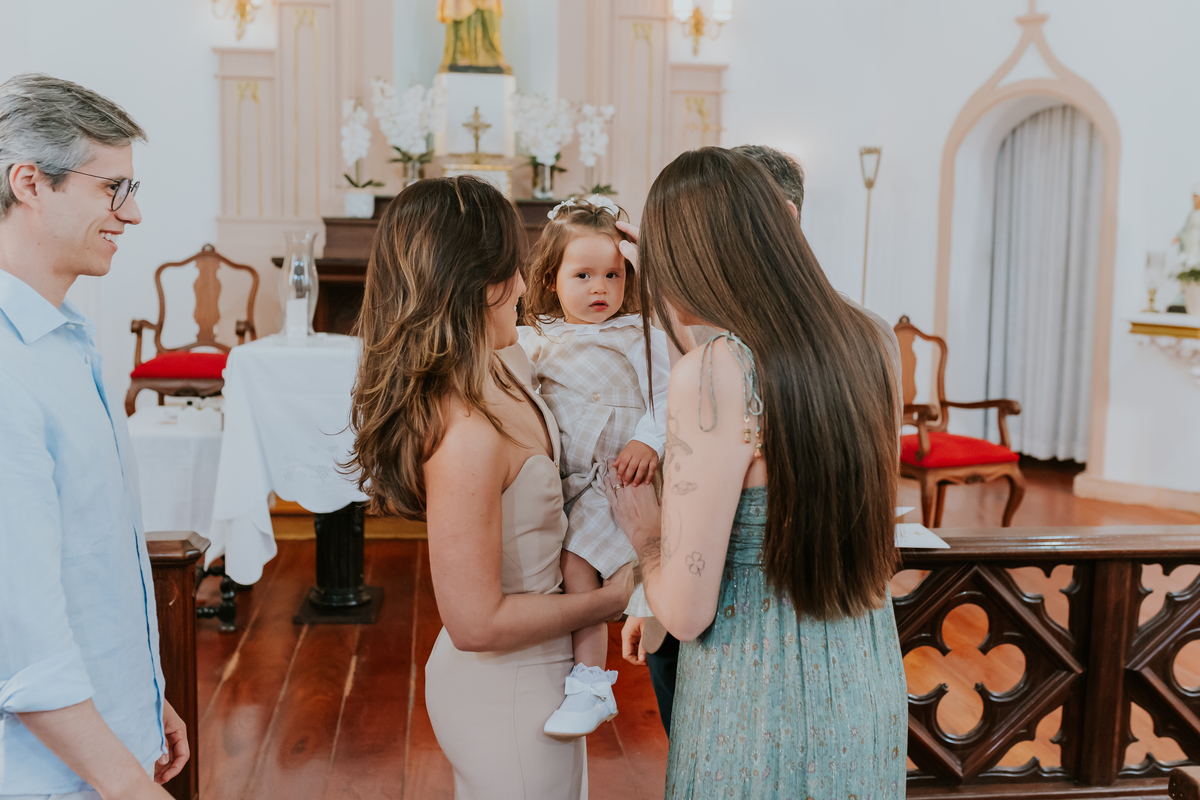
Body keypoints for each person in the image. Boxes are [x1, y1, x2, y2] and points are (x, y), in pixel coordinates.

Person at [608, 147, 907, 798]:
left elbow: (686, 613)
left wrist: (646, 534)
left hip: (754, 681)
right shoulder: (869, 340)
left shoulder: (717, 369)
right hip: (861, 668)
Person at [346, 176, 633, 800]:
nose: (526, 287)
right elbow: (475, 623)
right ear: (477, 283)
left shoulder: (509, 367)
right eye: (513, 270)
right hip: (506, 692)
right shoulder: (468, 433)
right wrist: (615, 598)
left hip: (545, 673)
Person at [0, 74, 188, 799]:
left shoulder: (64, 338)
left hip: (101, 743)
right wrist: (130, 785)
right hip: (47, 776)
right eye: (113, 188)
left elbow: (91, 564)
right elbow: (25, 647)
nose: (131, 213)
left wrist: (143, 701)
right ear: (29, 183)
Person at [516, 194, 669, 737]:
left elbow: (667, 396)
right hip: (563, 479)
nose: (600, 288)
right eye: (582, 275)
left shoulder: (638, 335)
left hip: (617, 477)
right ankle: (566, 670)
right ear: (551, 279)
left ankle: (591, 684)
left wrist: (648, 441)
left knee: (581, 565)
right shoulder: (536, 337)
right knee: (558, 569)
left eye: (613, 275)